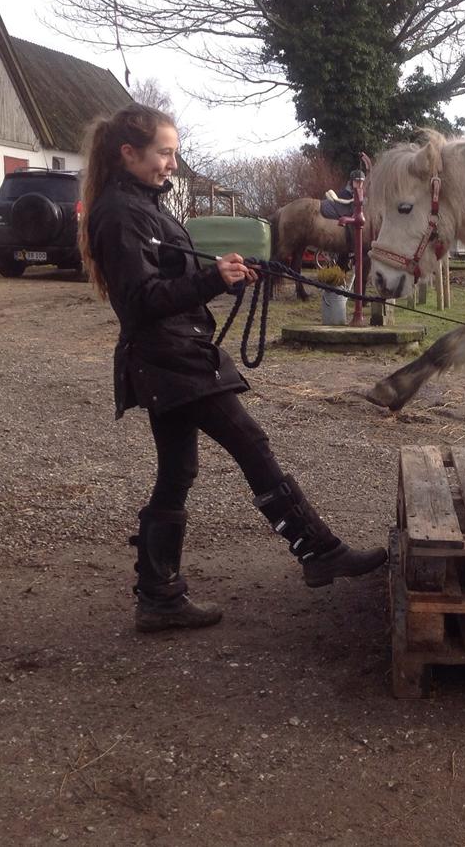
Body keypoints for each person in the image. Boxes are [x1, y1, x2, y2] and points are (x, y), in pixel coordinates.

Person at [80, 103, 386, 633]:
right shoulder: (120, 213)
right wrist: (212, 281)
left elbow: (165, 276)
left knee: (178, 472)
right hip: (168, 358)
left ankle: (159, 596)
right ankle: (318, 550)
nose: (172, 164)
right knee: (250, 443)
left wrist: (223, 272)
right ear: (128, 153)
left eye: (174, 153)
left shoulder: (142, 205)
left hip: (173, 355)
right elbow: (139, 299)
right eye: (164, 153)